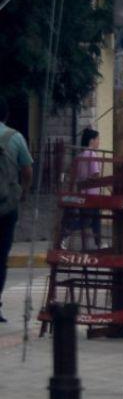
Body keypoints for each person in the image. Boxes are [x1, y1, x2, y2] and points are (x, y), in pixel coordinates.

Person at [0, 100, 33, 323]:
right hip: (5, 207)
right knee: (1, 257)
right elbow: (27, 170)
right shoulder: (15, 137)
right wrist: (24, 192)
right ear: (7, 114)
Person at [67, 128, 104, 249]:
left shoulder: (79, 156)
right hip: (92, 194)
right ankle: (65, 234)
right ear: (91, 140)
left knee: (95, 220)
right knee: (86, 221)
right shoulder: (92, 154)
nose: (99, 142)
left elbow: (74, 173)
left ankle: (99, 243)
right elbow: (95, 174)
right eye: (98, 139)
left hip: (82, 193)